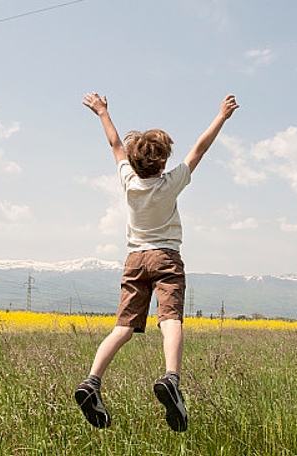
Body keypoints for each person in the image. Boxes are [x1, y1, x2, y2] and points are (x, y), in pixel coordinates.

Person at [75, 92, 239, 431]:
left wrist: (102, 112)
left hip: (134, 259)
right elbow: (200, 149)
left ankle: (92, 381)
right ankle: (171, 379)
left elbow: (115, 144)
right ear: (163, 162)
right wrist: (221, 116)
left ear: (134, 163)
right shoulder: (171, 183)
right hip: (165, 257)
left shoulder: (129, 182)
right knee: (170, 319)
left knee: (122, 328)